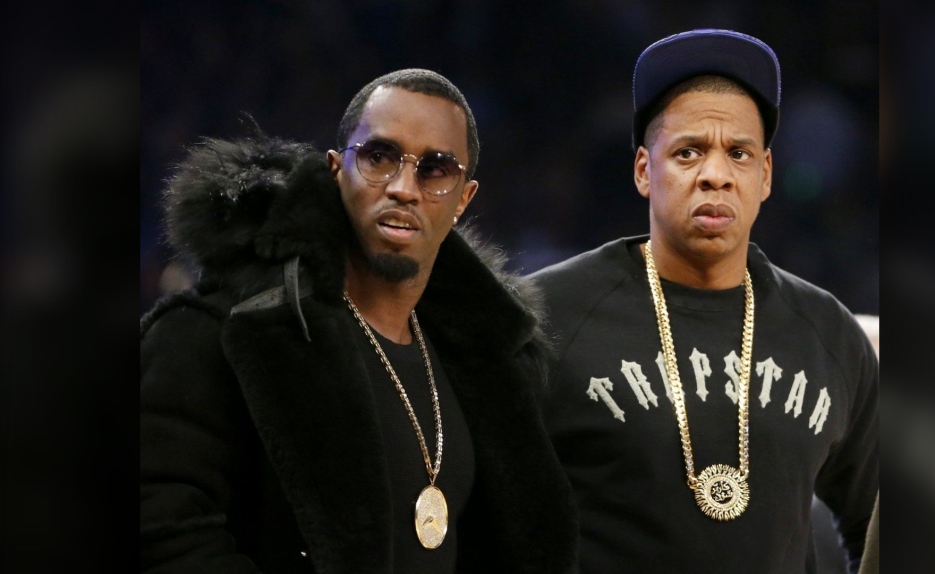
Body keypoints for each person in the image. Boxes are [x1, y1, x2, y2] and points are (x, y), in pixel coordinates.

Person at [140, 68, 578, 573]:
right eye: (378, 157)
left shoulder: (489, 372)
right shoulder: (218, 334)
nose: (403, 188)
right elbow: (164, 533)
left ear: (463, 198)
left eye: (434, 169)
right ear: (335, 170)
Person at [529, 30, 878, 573]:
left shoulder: (827, 332)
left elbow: (876, 522)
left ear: (764, 175)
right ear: (645, 170)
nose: (715, 175)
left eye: (737, 153)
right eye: (689, 152)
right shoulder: (547, 315)